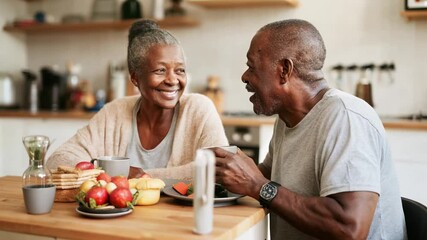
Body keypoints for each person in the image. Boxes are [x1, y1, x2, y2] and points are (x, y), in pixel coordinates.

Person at [214, 19, 407, 239]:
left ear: (284, 70)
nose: (245, 76)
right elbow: (266, 176)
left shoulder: (346, 118)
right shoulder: (287, 119)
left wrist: (257, 185)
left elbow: (349, 229)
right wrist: (227, 170)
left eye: (252, 66)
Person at [47, 19, 228, 179]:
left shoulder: (198, 108)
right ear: (135, 78)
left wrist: (136, 176)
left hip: (182, 217)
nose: (173, 80)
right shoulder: (115, 112)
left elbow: (220, 168)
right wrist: (105, 169)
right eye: (160, 70)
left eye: (180, 70)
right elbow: (57, 161)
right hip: (121, 217)